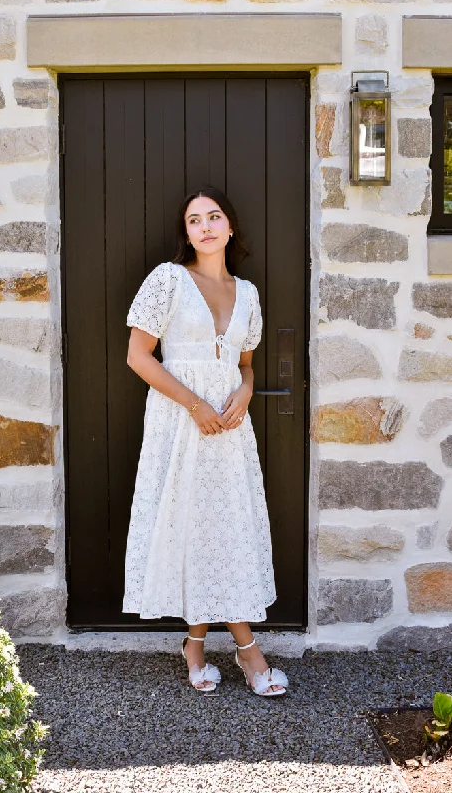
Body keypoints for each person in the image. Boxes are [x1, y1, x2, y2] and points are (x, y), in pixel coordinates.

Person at [123, 186, 288, 697]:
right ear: (188, 233)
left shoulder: (250, 293)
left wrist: (244, 391)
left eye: (215, 217)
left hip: (231, 431)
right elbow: (139, 357)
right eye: (195, 221)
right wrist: (195, 405)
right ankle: (249, 653)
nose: (206, 226)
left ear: (230, 227)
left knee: (226, 531)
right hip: (180, 424)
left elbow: (245, 365)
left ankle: (194, 643)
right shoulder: (168, 280)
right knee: (192, 525)